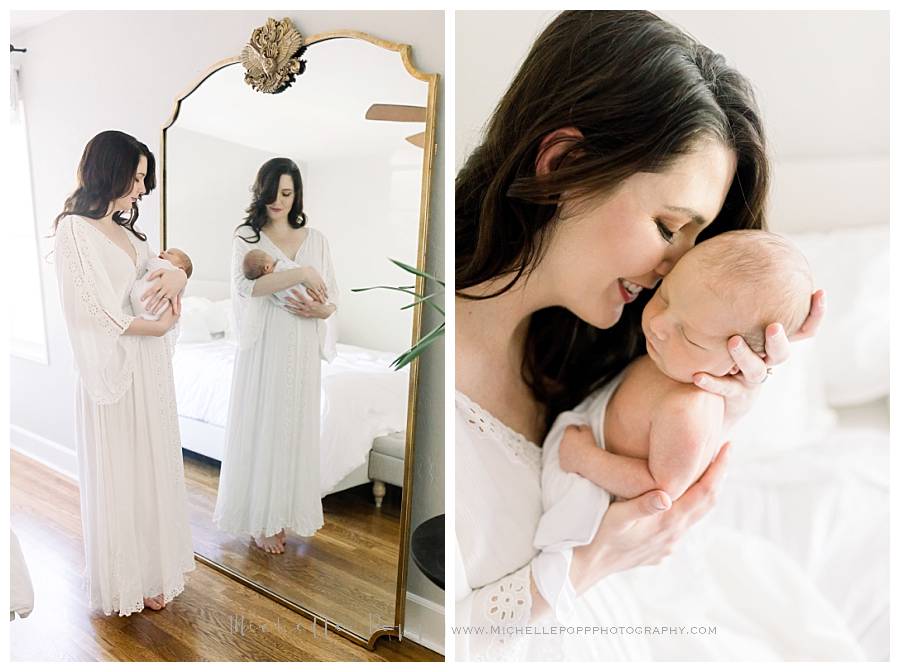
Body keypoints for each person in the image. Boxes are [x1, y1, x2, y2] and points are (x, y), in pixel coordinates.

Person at [455, 11, 846, 661]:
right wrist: (591, 562)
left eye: (696, 239)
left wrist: (725, 397)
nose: (678, 269)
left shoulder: (595, 347)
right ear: (564, 163)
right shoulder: (428, 362)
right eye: (670, 227)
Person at [534, 231, 814, 622]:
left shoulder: (689, 409)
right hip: (582, 445)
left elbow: (658, 489)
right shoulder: (670, 356)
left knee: (548, 555)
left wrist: (584, 459)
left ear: (735, 363)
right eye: (666, 296)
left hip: (601, 499)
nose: (660, 323)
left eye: (688, 332)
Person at [53, 130, 195, 616]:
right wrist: (151, 329)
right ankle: (124, 579)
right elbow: (89, 309)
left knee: (151, 469)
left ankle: (153, 569)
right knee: (121, 473)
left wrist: (181, 276)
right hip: (114, 365)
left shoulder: (132, 233)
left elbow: (159, 274)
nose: (139, 190)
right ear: (107, 170)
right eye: (134, 178)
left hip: (148, 368)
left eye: (142, 180)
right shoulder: (75, 229)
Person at [213, 157, 337, 554]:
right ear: (260, 193)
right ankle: (261, 521)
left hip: (302, 344)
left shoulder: (316, 239)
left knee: (293, 428)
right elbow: (247, 289)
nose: (279, 201)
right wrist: (301, 273)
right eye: (272, 193)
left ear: (297, 193)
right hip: (266, 344)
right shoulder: (247, 237)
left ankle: (283, 513)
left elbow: (333, 297)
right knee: (265, 425)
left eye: (287, 193)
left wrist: (322, 310)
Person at [130, 248, 193, 320]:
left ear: (180, 268)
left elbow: (150, 263)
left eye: (170, 253)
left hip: (146, 300)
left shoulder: (166, 266)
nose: (162, 252)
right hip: (151, 308)